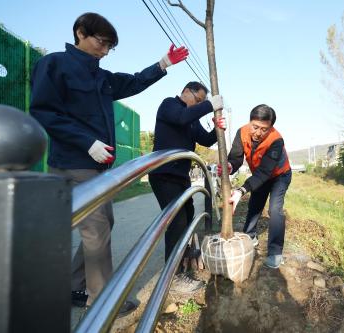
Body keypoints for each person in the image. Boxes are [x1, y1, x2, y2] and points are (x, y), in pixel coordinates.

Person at [29, 12, 188, 315]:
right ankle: (103, 300)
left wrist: (163, 64)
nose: (104, 51)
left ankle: (75, 285)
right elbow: (43, 112)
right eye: (102, 43)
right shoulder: (54, 65)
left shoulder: (100, 75)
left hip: (97, 165)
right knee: (97, 226)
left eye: (109, 47)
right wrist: (85, 142)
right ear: (80, 33)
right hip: (73, 160)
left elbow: (133, 82)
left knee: (101, 225)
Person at [149, 81, 224, 292]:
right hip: (164, 175)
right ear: (185, 92)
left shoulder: (192, 118)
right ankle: (173, 278)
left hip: (181, 177)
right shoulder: (169, 105)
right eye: (198, 100)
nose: (198, 104)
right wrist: (209, 105)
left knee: (188, 215)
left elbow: (206, 140)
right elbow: (181, 118)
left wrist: (217, 129)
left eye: (202, 101)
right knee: (177, 222)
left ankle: (182, 258)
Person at [218, 104, 291, 269]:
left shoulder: (276, 140)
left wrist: (240, 190)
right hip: (260, 176)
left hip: (279, 176)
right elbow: (236, 157)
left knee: (275, 209)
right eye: (255, 127)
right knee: (255, 204)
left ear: (271, 127)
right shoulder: (242, 132)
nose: (258, 133)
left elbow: (265, 172)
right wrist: (230, 165)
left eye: (264, 129)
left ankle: (275, 252)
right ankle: (250, 235)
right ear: (249, 121)